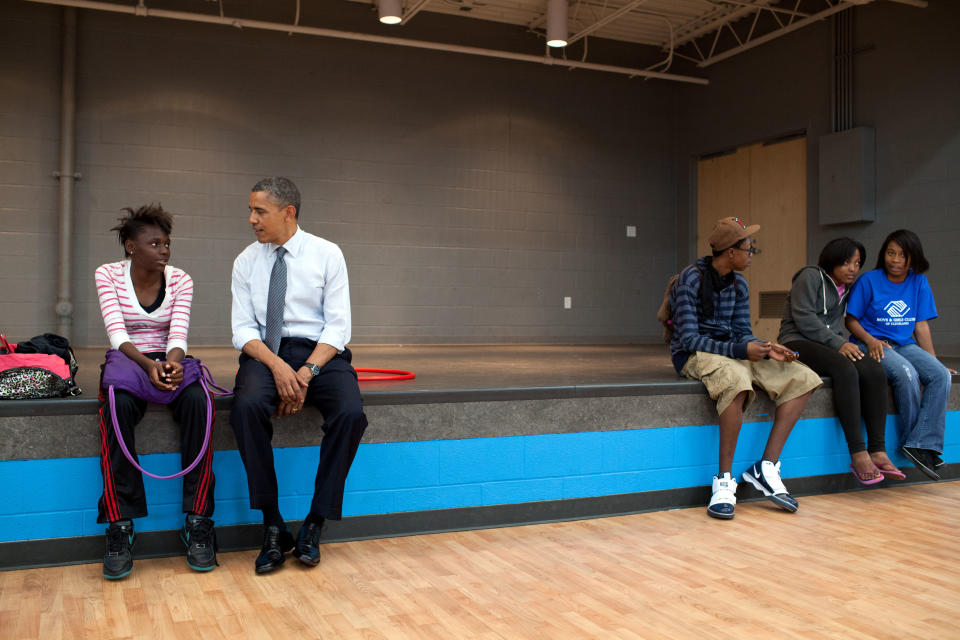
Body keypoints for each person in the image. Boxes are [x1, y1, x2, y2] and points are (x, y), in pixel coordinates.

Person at [230, 176, 368, 574]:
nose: (252, 220)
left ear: (288, 212)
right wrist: (277, 367)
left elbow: (338, 327)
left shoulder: (328, 254)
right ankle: (273, 524)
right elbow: (242, 331)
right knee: (246, 407)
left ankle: (315, 522)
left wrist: (305, 372)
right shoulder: (245, 261)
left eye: (260, 211)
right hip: (265, 353)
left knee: (350, 413)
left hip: (319, 353)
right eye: (251, 211)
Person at [669, 217, 822, 519]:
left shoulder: (739, 283)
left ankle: (766, 468)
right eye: (748, 248)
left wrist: (766, 348)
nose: (752, 253)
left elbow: (741, 331)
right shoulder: (690, 280)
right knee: (738, 378)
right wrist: (742, 350)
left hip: (732, 350)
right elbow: (688, 338)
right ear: (729, 252)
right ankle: (724, 482)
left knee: (803, 376)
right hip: (695, 353)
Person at [94, 204, 217, 580]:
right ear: (132, 246)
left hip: (168, 358)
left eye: (167, 243)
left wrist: (172, 363)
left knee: (201, 401)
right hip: (129, 360)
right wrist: (148, 367)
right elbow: (118, 335)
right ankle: (120, 525)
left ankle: (198, 520)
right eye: (155, 243)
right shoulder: (107, 274)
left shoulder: (181, 279)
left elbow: (177, 333)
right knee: (116, 406)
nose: (164, 250)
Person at [778, 238, 901, 485]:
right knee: (845, 369)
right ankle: (857, 452)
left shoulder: (846, 287)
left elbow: (838, 325)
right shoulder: (810, 276)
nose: (853, 269)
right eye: (846, 262)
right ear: (832, 260)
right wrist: (838, 344)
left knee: (874, 370)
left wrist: (866, 341)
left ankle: (877, 450)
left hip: (827, 343)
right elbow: (804, 319)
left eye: (857, 263)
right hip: (796, 341)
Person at [845, 229, 955, 481]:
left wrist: (933, 360)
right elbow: (850, 320)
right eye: (890, 253)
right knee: (906, 373)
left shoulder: (918, 282)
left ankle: (921, 443)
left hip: (904, 344)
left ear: (912, 258)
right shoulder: (869, 280)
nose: (895, 260)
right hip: (871, 342)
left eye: (902, 255)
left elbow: (921, 325)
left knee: (940, 376)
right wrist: (871, 340)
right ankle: (914, 441)